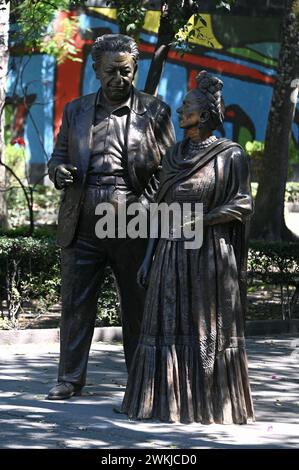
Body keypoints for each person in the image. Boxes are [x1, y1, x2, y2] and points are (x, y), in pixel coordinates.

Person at [121, 71, 255, 424]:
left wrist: (205, 220)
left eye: (188, 107)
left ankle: (210, 404)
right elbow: (161, 211)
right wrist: (148, 259)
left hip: (210, 254)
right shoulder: (173, 155)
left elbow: (243, 204)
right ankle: (162, 401)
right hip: (170, 254)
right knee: (164, 326)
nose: (180, 110)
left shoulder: (231, 155)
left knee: (205, 327)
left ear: (206, 114)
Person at [46, 34, 175, 400]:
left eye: (126, 71)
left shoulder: (155, 111)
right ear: (97, 72)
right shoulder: (76, 110)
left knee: (136, 303)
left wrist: (144, 205)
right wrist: (59, 173)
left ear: (135, 70)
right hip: (82, 215)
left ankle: (140, 378)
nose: (119, 79)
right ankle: (70, 377)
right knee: (75, 303)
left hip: (130, 215)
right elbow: (58, 157)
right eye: (111, 72)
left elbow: (169, 168)